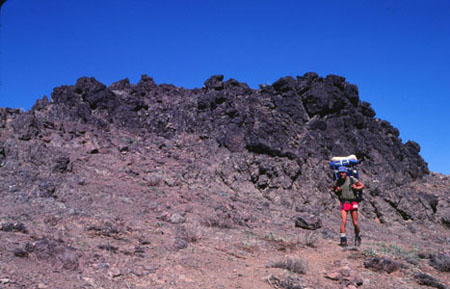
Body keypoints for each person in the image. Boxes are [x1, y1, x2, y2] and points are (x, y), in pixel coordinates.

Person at [333, 166, 364, 247]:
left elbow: (362, 185)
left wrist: (356, 187)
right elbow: (334, 189)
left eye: (343, 172)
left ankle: (357, 236)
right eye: (340, 173)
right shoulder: (338, 181)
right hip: (344, 202)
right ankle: (343, 240)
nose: (341, 174)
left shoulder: (351, 179)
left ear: (346, 172)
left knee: (355, 223)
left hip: (353, 201)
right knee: (343, 221)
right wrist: (337, 190)